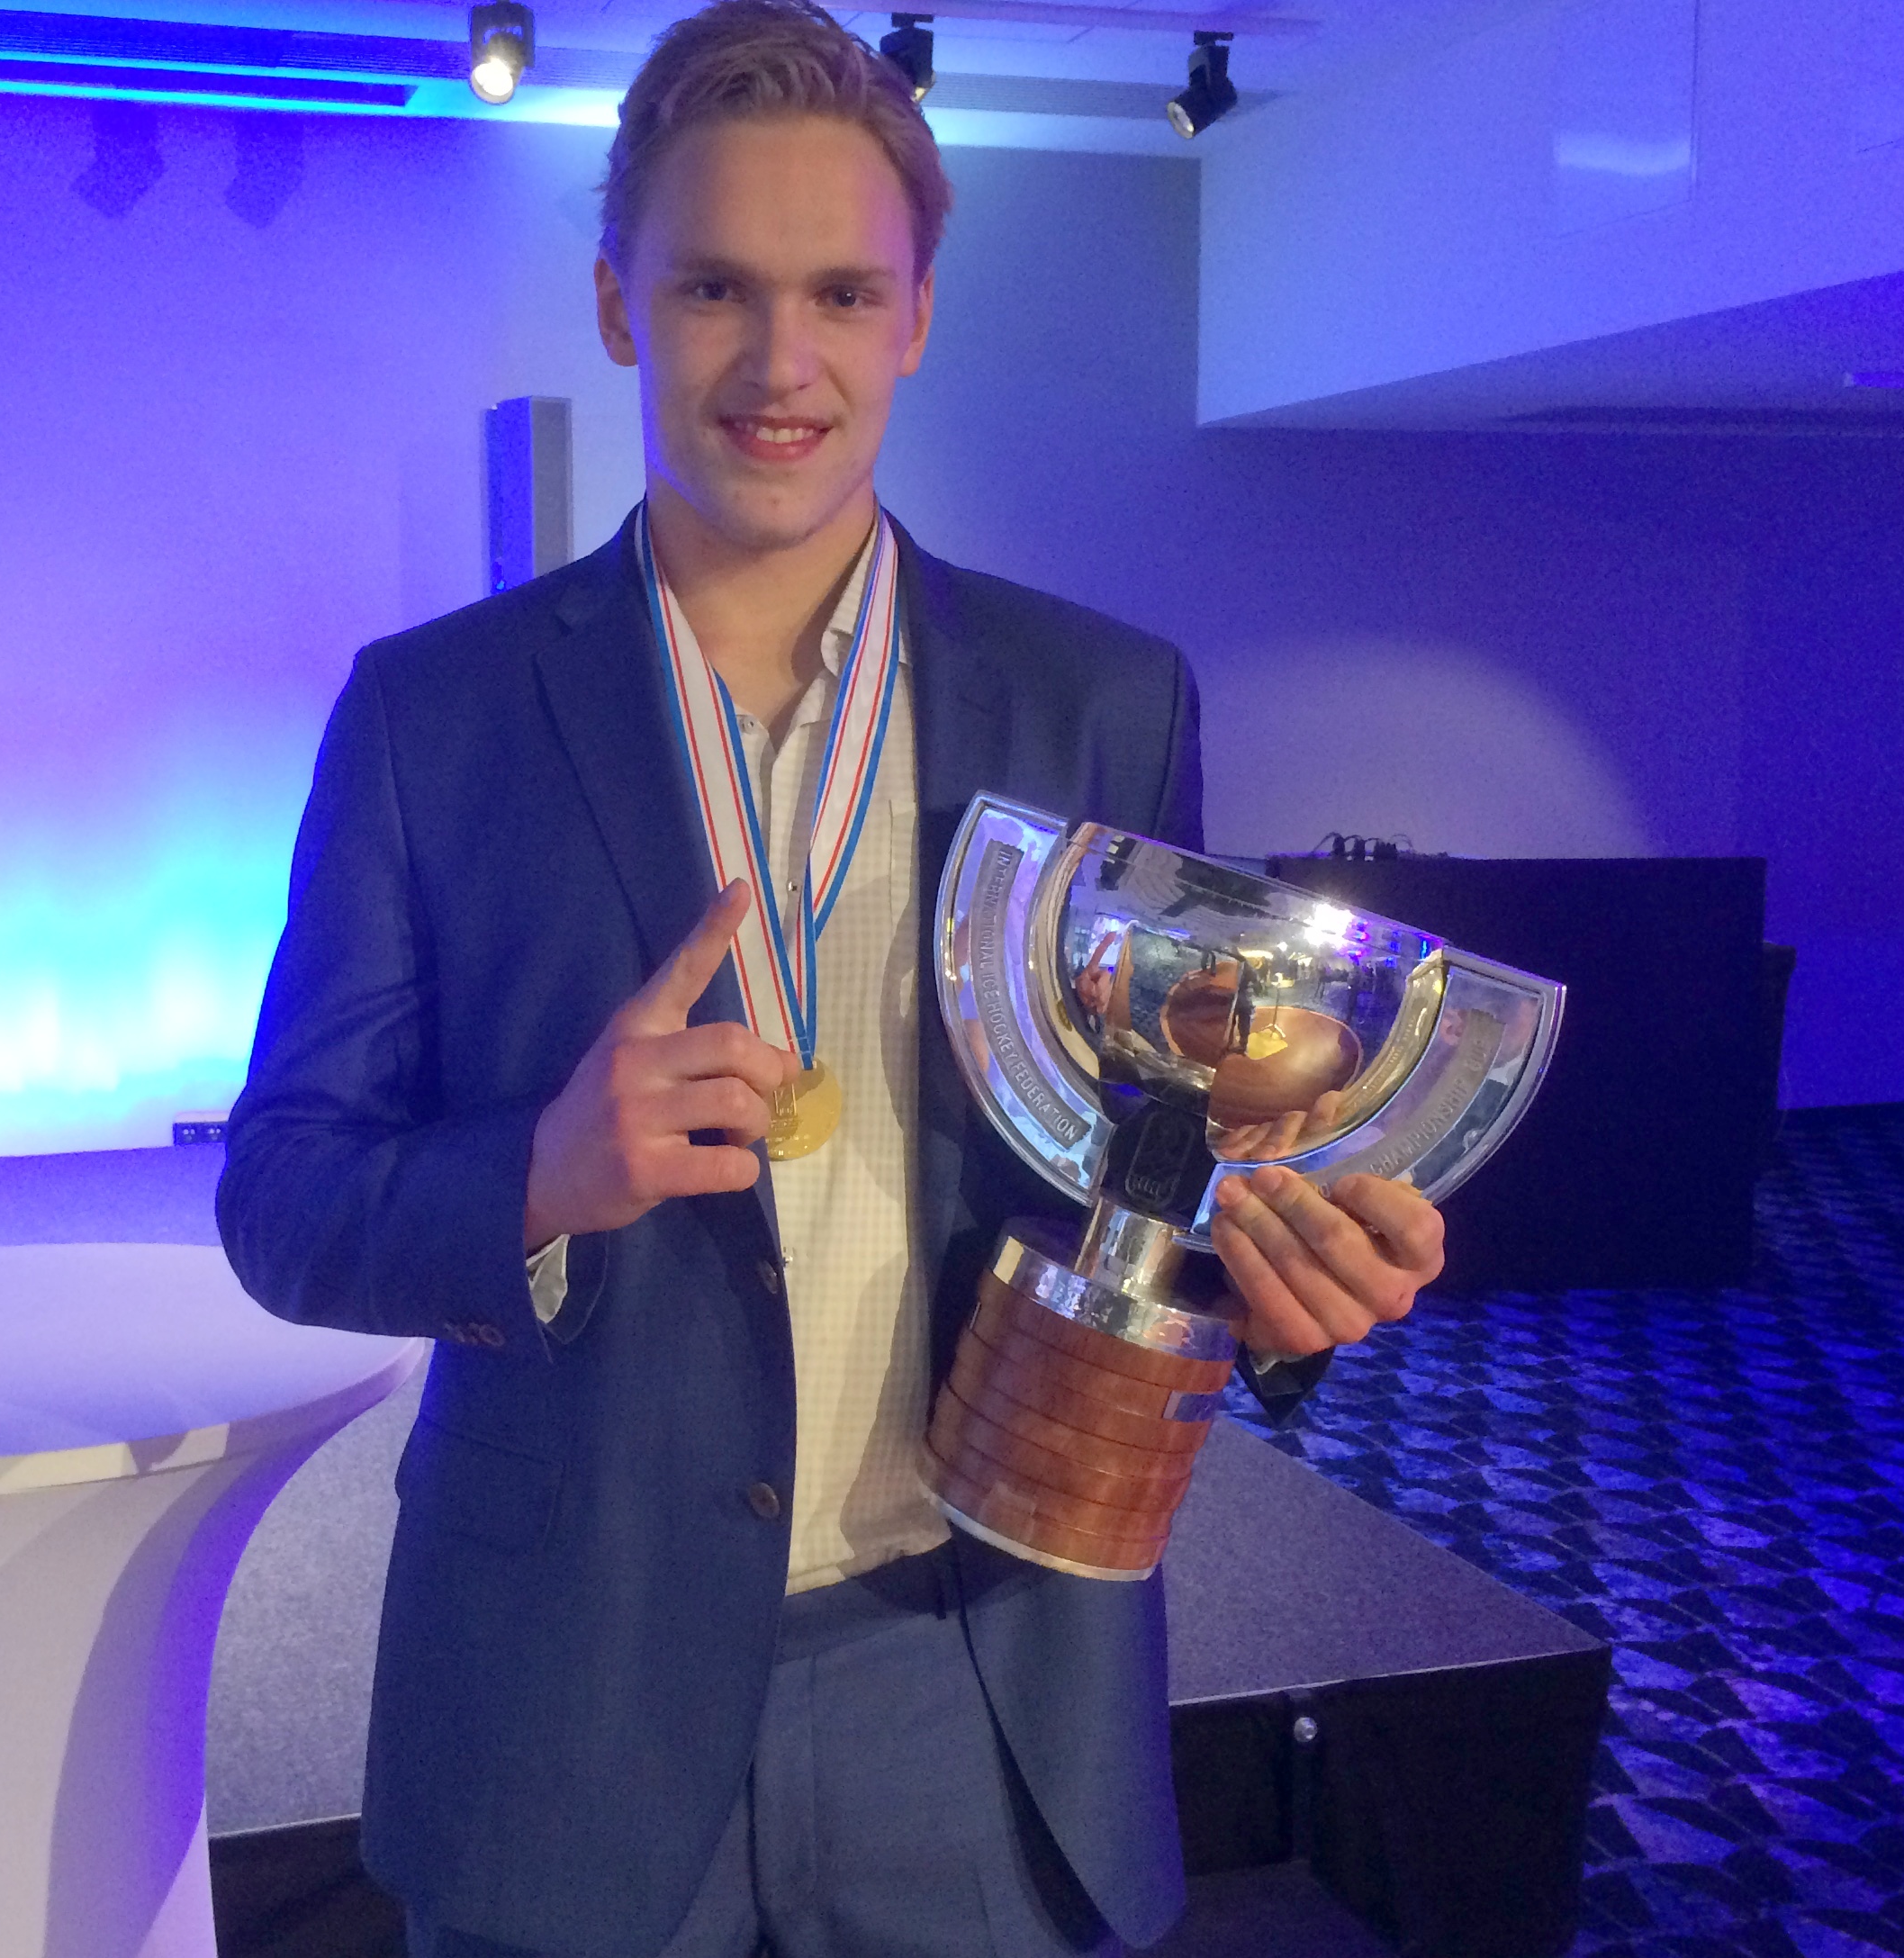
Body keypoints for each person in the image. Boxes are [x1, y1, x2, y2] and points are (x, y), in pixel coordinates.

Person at [218, 5, 1447, 1952]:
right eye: (714, 286)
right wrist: (538, 1173)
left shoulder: (1101, 703)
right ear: (618, 304)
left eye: (841, 294)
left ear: (916, 318)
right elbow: (284, 1197)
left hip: (978, 1670)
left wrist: (1283, 1285)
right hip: (571, 1684)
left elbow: (1153, 1171)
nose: (779, 362)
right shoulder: (429, 717)